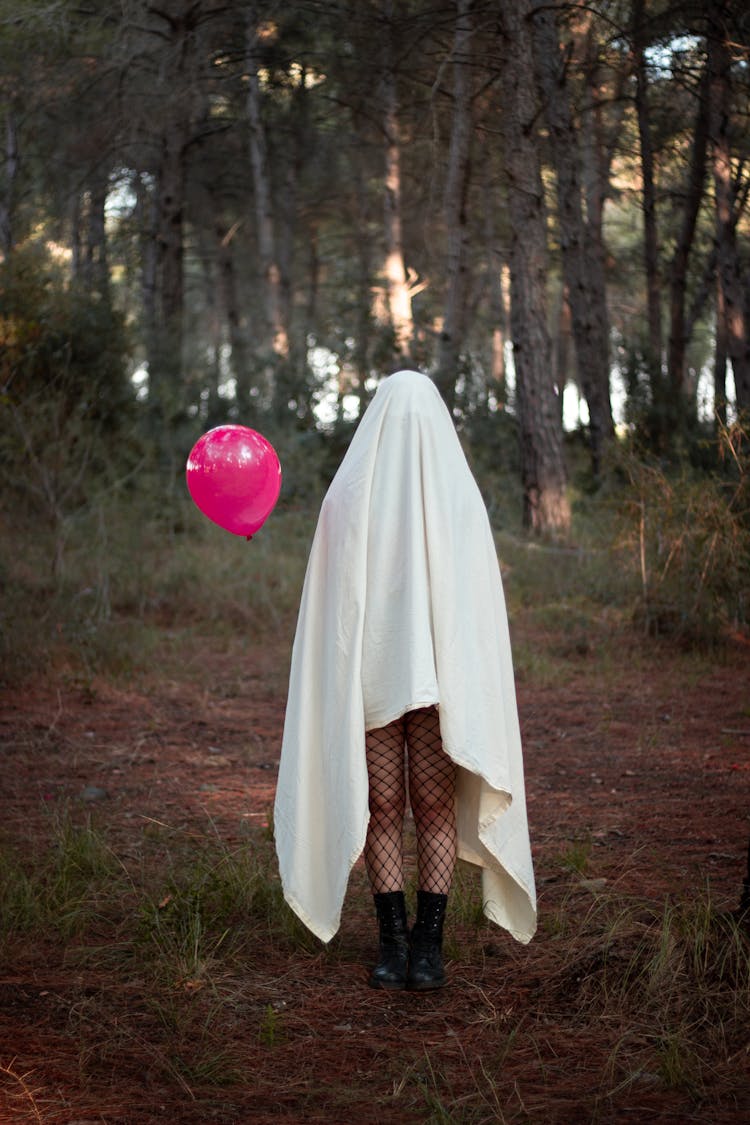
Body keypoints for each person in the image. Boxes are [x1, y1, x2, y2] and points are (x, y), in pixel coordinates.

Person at [274, 370, 536, 990]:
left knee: (433, 803)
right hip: (372, 673)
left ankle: (429, 943)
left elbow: (473, 607)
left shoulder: (459, 500)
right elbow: (332, 596)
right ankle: (391, 939)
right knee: (382, 803)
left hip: (438, 680)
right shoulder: (347, 495)